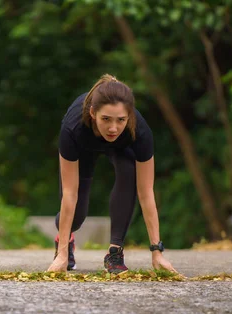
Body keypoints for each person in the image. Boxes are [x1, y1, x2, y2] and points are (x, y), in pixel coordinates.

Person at [47, 74, 179, 274]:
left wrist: (157, 251)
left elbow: (146, 193)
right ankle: (65, 239)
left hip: (122, 149)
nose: (113, 128)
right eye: (106, 119)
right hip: (84, 149)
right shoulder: (72, 129)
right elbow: (69, 192)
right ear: (93, 112)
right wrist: (62, 254)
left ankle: (115, 253)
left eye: (121, 120)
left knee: (129, 171)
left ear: (129, 117)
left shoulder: (140, 132)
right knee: (77, 216)